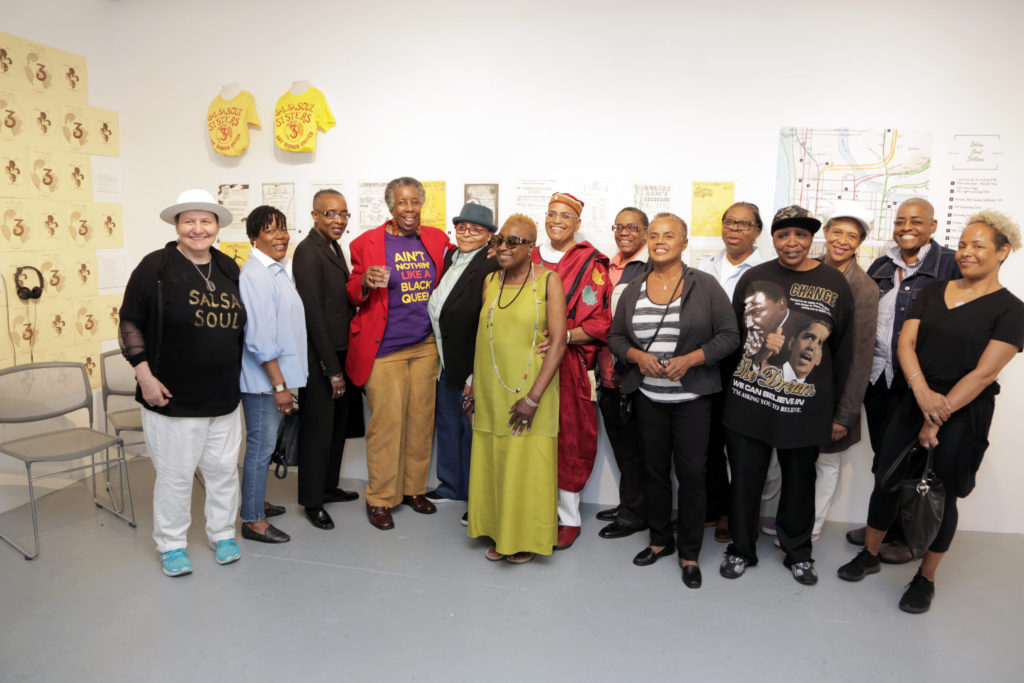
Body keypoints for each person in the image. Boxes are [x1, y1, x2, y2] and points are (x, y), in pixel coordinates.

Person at [838, 211, 1023, 614]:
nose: (966, 253)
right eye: (962, 245)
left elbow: (984, 372)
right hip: (912, 400)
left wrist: (938, 415)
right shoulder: (933, 290)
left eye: (978, 246)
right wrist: (921, 394)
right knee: (885, 478)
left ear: (1002, 252)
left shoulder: (1011, 309)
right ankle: (869, 555)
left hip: (964, 412)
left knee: (944, 494)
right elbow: (906, 344)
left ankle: (925, 578)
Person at [720, 205, 853, 586]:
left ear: (812, 239)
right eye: (783, 234)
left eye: (801, 234)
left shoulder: (834, 282)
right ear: (770, 237)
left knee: (799, 483)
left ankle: (797, 552)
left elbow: (843, 350)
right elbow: (737, 338)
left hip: (804, 406)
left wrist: (841, 411)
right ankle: (741, 549)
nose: (792, 242)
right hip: (748, 401)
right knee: (745, 480)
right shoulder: (755, 277)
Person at [119, 189, 246, 577]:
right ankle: (172, 544)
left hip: (223, 395)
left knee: (224, 471)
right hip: (171, 396)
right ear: (176, 226)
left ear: (217, 226)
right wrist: (145, 375)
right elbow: (129, 323)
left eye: (206, 220)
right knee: (175, 477)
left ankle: (223, 534)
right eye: (188, 221)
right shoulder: (155, 267)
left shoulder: (227, 268)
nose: (197, 228)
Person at [608, 213, 739, 588]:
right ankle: (660, 539)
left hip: (693, 398)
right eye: (654, 235)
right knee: (654, 472)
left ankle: (690, 552)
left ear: (684, 243)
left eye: (669, 235)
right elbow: (617, 338)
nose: (659, 241)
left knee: (693, 475)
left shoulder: (705, 285)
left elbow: (729, 336)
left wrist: (691, 359)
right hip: (649, 397)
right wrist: (637, 357)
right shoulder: (633, 288)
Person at [845, 198, 961, 562]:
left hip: (920, 383)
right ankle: (885, 521)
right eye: (900, 221)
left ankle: (905, 534)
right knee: (885, 458)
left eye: (916, 221)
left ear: (933, 226)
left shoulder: (951, 265)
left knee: (912, 462)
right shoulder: (882, 264)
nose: (906, 227)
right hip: (879, 378)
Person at [347, 177, 451, 530]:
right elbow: (352, 288)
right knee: (386, 424)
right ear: (390, 207)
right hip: (385, 348)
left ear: (422, 204)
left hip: (424, 346)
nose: (409, 209)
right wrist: (362, 282)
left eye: (414, 202)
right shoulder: (367, 242)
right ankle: (379, 497)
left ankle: (413, 489)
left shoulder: (436, 239)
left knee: (421, 421)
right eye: (402, 203)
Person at [466, 214, 567, 563]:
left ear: (530, 247)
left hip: (531, 388)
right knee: (495, 457)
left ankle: (524, 538)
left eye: (513, 242)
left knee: (527, 463)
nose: (503, 247)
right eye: (500, 240)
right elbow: (485, 338)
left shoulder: (549, 281)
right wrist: (474, 386)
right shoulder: (491, 281)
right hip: (492, 386)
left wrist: (534, 398)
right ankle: (499, 531)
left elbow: (558, 343)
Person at [531, 191, 611, 550]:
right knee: (527, 434)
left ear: (578, 223)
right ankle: (531, 508)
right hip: (525, 362)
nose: (557, 221)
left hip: (569, 365)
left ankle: (568, 517)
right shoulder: (528, 256)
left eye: (566, 216)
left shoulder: (590, 263)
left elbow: (600, 322)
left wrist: (562, 337)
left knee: (569, 437)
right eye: (552, 214)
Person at [696, 201, 766, 543]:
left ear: (757, 231)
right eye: (729, 222)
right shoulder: (703, 267)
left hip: (746, 368)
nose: (734, 229)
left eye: (743, 224)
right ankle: (711, 509)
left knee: (739, 448)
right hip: (706, 364)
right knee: (706, 442)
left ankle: (732, 515)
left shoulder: (766, 270)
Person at [292, 189, 360, 531]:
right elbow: (313, 314)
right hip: (322, 357)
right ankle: (312, 500)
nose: (339, 220)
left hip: (341, 351)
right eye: (331, 214)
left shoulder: (333, 248)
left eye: (344, 214)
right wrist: (331, 370)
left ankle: (328, 487)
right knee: (318, 430)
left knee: (336, 428)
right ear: (315, 215)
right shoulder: (307, 252)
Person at [426, 203, 500, 515]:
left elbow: (487, 320)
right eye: (462, 227)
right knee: (447, 426)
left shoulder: (491, 263)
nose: (467, 232)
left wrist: (474, 374)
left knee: (473, 433)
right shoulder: (449, 257)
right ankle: (452, 487)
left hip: (472, 364)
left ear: (489, 236)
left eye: (476, 229)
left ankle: (477, 497)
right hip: (445, 360)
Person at [238, 205, 305, 543]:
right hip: (263, 383)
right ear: (254, 238)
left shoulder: (277, 271)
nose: (280, 235)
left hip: (273, 380)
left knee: (262, 447)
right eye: (270, 230)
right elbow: (261, 339)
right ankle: (252, 520)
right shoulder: (255, 275)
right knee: (260, 449)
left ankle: (255, 502)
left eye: (283, 228)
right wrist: (279, 385)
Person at [595, 207, 650, 539]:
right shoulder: (607, 265)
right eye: (619, 226)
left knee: (636, 448)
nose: (624, 232)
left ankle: (636, 513)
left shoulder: (651, 267)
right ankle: (630, 502)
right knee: (621, 445)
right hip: (605, 374)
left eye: (632, 227)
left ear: (645, 231)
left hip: (631, 375)